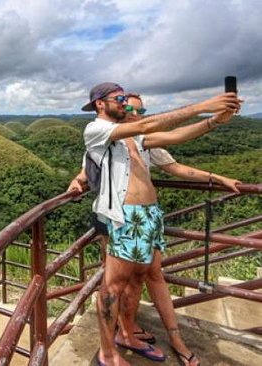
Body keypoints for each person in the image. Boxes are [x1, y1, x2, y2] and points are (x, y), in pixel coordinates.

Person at [71, 92, 239, 366]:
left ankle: (127, 332)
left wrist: (215, 121)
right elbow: (92, 162)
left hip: (149, 215)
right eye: (122, 102)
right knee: (114, 285)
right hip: (123, 216)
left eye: (134, 105)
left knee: (139, 279)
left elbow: (175, 137)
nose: (132, 110)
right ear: (102, 104)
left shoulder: (136, 139)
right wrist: (203, 106)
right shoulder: (97, 130)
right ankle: (108, 352)